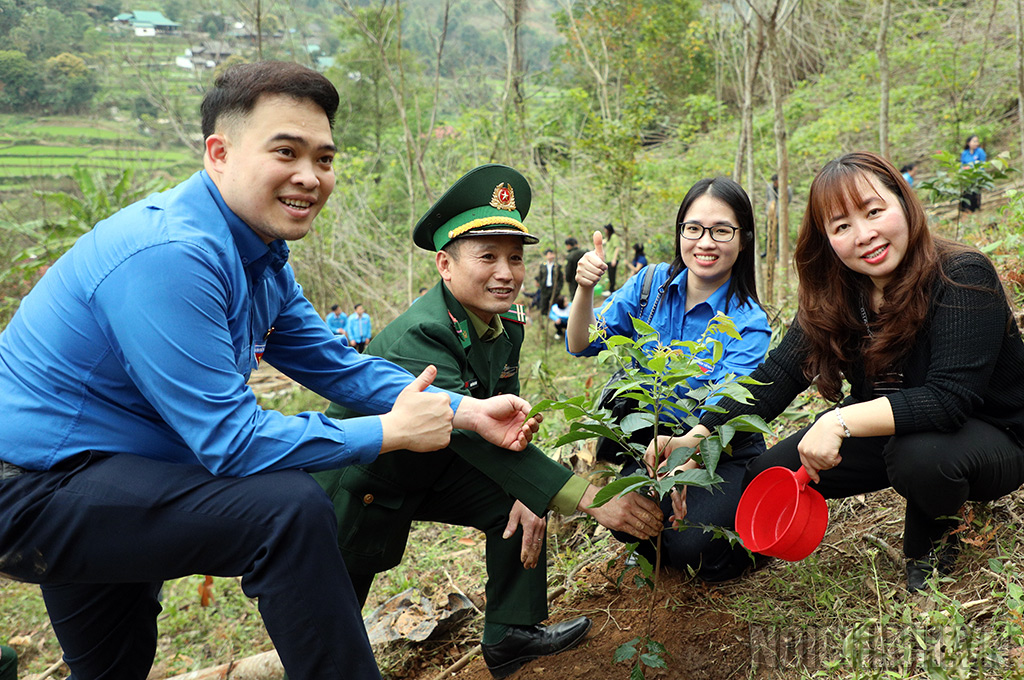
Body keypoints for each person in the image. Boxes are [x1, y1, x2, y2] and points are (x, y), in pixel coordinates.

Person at [0, 61, 539, 680]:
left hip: (120, 475)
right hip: (37, 487)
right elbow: (230, 441)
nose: (309, 177)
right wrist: (388, 432)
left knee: (113, 665)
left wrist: (466, 411)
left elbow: (335, 366)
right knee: (286, 511)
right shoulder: (173, 254)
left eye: (325, 159)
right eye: (286, 152)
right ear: (219, 152)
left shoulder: (260, 257)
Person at [314, 164, 663, 680]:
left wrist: (527, 488)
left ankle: (509, 635)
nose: (506, 273)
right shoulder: (421, 335)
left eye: (515, 258)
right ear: (445, 265)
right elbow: (469, 433)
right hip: (363, 484)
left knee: (518, 500)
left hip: (435, 467)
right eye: (488, 257)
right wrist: (592, 499)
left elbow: (502, 414)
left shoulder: (505, 325)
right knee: (333, 623)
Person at [648, 151, 1024, 594]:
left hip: (992, 431)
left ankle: (937, 533)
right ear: (827, 238)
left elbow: (950, 399)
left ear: (903, 203)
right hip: (894, 425)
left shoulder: (961, 274)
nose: (864, 235)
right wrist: (700, 435)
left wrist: (838, 421)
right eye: (842, 226)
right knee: (769, 471)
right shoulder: (839, 292)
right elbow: (777, 376)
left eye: (874, 211)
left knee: (920, 457)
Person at [566, 177, 771, 582]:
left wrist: (684, 463)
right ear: (680, 232)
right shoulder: (650, 285)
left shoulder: (748, 322)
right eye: (693, 229)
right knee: (620, 506)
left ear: (743, 239)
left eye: (721, 231)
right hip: (651, 444)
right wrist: (585, 288)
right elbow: (580, 343)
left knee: (692, 545)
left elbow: (724, 413)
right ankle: (660, 549)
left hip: (717, 449)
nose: (705, 242)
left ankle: (752, 544)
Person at [960, 135, 987, 213]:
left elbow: (982, 165)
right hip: (967, 177)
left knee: (975, 194)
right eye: (974, 141)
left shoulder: (980, 152)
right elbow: (962, 165)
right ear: (968, 143)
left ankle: (975, 210)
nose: (976, 143)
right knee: (966, 194)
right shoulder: (965, 153)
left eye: (977, 141)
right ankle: (965, 210)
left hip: (977, 177)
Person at [534, 248, 564, 316]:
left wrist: (558, 288)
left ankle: (555, 316)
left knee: (554, 303)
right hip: (545, 288)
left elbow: (560, 279)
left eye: (552, 254)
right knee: (544, 303)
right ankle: (544, 316)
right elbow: (540, 276)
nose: (551, 256)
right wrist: (540, 284)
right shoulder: (543, 265)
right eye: (549, 254)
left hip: (554, 288)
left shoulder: (557, 266)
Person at [563, 236, 586, 301]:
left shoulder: (570, 256)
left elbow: (568, 270)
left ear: (569, 245)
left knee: (575, 299)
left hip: (574, 280)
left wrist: (568, 279)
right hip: (585, 278)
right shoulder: (584, 253)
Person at [602, 223, 621, 292]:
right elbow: (603, 241)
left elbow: (617, 248)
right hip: (608, 259)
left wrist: (614, 259)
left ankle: (612, 290)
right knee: (610, 276)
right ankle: (611, 289)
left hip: (612, 259)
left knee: (612, 276)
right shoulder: (608, 238)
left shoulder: (614, 237)